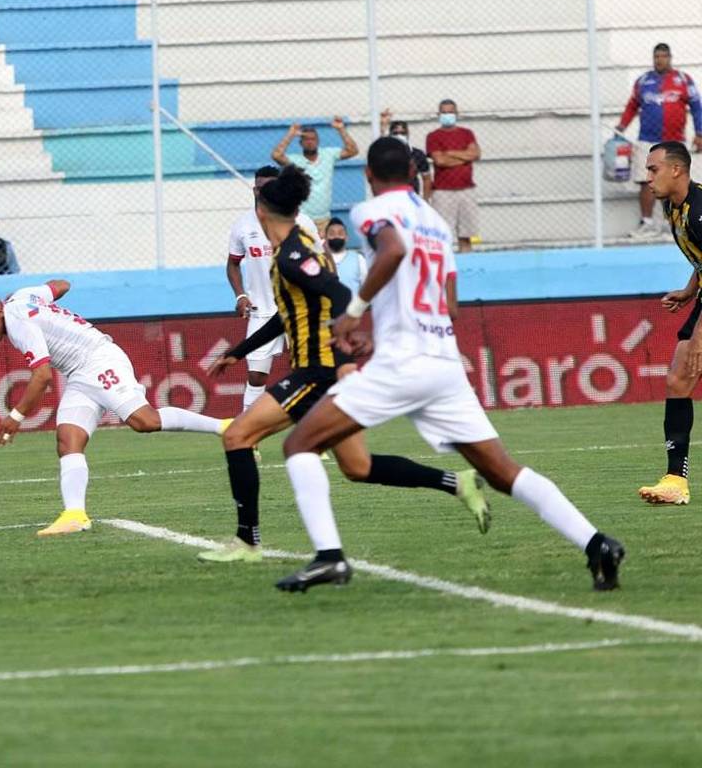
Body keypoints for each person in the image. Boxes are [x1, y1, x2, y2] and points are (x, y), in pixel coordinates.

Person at [270, 137, 624, 593]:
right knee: (502, 472)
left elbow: (393, 250)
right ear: (413, 172)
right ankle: (597, 543)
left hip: (403, 363)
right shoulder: (437, 222)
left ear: (369, 175)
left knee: (300, 444)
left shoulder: (371, 210)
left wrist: (355, 313)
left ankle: (329, 557)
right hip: (443, 363)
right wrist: (383, 330)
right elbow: (449, 304)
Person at [199, 165, 487, 564]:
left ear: (261, 212)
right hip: (326, 369)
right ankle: (457, 482)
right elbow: (288, 315)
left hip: (318, 370)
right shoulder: (296, 246)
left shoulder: (293, 255)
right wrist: (240, 350)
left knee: (237, 436)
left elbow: (338, 292)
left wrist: (346, 336)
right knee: (357, 466)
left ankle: (248, 542)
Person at [0, 281, 230, 536]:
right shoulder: (23, 296)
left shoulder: (17, 320)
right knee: (68, 440)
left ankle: (226, 427)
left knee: (144, 421)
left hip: (99, 360)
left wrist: (16, 416)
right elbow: (62, 285)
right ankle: (75, 516)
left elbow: (42, 376)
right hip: (78, 374)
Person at [637, 141, 702, 505]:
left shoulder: (700, 212)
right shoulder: (671, 206)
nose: (648, 177)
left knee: (684, 370)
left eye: (653, 169)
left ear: (676, 170)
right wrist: (689, 290)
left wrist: (699, 337)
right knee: (679, 379)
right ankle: (675, 481)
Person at [618, 43, 702, 239]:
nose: (660, 60)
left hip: (674, 141)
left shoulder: (683, 80)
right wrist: (621, 127)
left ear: (670, 58)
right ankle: (647, 224)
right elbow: (632, 106)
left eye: (663, 56)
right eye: (657, 57)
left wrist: (699, 133)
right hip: (647, 141)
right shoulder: (643, 81)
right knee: (646, 181)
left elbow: (696, 106)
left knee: (675, 182)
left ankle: (673, 224)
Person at [227, 165, 286, 414]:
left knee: (309, 371)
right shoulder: (242, 225)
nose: (265, 192)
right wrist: (241, 295)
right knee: (256, 376)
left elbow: (322, 257)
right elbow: (232, 264)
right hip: (262, 311)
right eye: (261, 188)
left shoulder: (300, 221)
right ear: (255, 190)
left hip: (298, 309)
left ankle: (321, 431)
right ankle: (247, 429)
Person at [270, 116, 359, 232]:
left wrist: (341, 129)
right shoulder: (295, 160)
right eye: (306, 139)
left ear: (318, 141)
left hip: (324, 219)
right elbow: (276, 155)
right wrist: (291, 134)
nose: (310, 142)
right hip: (302, 219)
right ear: (300, 143)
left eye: (313, 139)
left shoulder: (329, 155)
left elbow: (353, 150)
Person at [426, 99, 481, 252]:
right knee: (443, 234)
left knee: (466, 235)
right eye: (444, 112)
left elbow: (475, 154)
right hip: (443, 191)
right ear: (438, 115)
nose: (447, 115)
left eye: (450, 112)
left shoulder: (467, 133)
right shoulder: (433, 136)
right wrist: (464, 157)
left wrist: (450, 153)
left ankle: (467, 260)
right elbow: (440, 161)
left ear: (457, 114)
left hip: (466, 189)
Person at [380, 108, 432, 199]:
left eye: (402, 133)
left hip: (411, 196)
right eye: (396, 133)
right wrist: (383, 127)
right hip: (390, 197)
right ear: (390, 135)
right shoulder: (386, 153)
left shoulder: (417, 154)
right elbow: (379, 146)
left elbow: (426, 178)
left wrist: (425, 200)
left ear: (408, 134)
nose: (399, 135)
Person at [323, 217, 367, 295]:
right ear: (326, 238)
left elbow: (367, 287)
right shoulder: (320, 260)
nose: (336, 236)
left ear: (346, 238)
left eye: (340, 233)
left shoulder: (358, 259)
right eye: (332, 234)